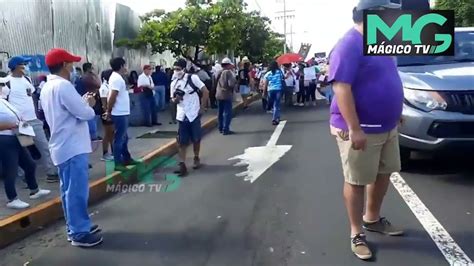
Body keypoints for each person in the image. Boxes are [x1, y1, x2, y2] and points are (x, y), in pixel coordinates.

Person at [329, 0, 404, 260]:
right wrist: (354, 128)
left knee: (385, 172)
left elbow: (389, 78)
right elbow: (341, 88)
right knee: (357, 180)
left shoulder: (383, 42)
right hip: (361, 128)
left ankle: (372, 218)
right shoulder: (349, 44)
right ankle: (356, 232)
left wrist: (396, 111)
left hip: (387, 125)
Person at [40, 48, 102, 247]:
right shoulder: (63, 87)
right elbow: (85, 114)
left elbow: (70, 111)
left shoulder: (47, 87)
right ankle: (79, 233)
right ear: (65, 65)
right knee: (76, 191)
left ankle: (75, 226)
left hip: (62, 146)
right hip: (72, 146)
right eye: (71, 63)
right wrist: (89, 104)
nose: (73, 66)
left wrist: (82, 105)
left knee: (68, 190)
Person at [6, 56, 59, 182]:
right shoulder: (6, 82)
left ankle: (51, 173)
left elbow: (31, 97)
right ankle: (27, 177)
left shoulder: (27, 79)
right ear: (16, 67)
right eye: (24, 64)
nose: (26, 67)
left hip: (33, 120)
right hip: (21, 124)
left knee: (44, 146)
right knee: (26, 150)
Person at [0, 98, 51, 209]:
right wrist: (11, 125)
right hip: (4, 138)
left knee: (30, 164)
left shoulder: (3, 100)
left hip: (17, 135)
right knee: (10, 169)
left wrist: (20, 122)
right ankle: (12, 198)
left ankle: (34, 190)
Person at [170, 59, 209, 177]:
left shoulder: (193, 78)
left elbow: (205, 91)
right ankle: (182, 164)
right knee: (181, 141)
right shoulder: (173, 83)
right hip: (182, 115)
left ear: (184, 69)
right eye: (175, 69)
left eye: (178, 69)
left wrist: (202, 107)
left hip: (193, 113)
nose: (176, 71)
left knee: (196, 138)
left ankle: (196, 157)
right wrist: (176, 99)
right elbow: (172, 99)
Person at [104, 57, 139, 172]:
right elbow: (112, 96)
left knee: (124, 137)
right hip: (119, 113)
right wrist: (109, 111)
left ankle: (127, 158)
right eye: (125, 65)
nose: (126, 67)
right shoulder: (117, 79)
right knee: (119, 138)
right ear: (121, 66)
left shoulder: (117, 78)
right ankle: (118, 162)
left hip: (121, 111)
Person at [215, 58, 237, 135]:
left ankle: (220, 127)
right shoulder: (228, 73)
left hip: (218, 94)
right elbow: (231, 84)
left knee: (220, 112)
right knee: (227, 112)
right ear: (228, 65)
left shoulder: (218, 72)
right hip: (226, 94)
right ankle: (226, 129)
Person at [82, 63, 102, 141]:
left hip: (89, 98)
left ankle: (93, 134)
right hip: (92, 99)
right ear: (89, 69)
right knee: (93, 117)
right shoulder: (88, 77)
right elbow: (98, 84)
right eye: (92, 68)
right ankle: (93, 135)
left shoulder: (83, 77)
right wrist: (96, 75)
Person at [99, 69, 114, 161]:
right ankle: (105, 153)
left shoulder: (109, 85)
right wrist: (107, 113)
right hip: (106, 113)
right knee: (108, 134)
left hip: (110, 112)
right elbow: (104, 103)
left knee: (112, 133)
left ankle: (113, 152)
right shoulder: (104, 87)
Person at [263, 61, 284, 125]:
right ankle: (275, 118)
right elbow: (282, 79)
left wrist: (264, 92)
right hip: (278, 89)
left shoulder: (268, 74)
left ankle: (277, 116)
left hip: (270, 90)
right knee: (277, 104)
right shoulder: (279, 72)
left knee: (273, 104)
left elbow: (265, 84)